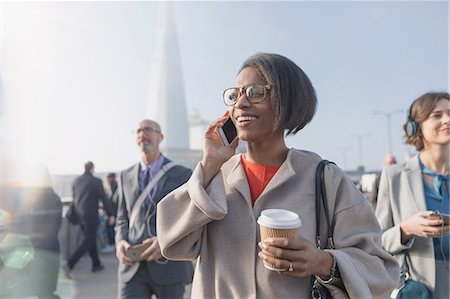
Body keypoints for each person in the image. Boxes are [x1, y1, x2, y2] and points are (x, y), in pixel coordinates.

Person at [156, 53, 399, 298]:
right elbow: (170, 242)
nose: (240, 103)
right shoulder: (215, 176)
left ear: (287, 99)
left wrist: (323, 263)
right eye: (235, 95)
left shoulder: (326, 178)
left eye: (255, 92)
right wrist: (209, 164)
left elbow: (381, 271)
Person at [375, 92, 450, 298]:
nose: (447, 119)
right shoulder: (395, 176)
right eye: (437, 115)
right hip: (419, 289)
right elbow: (375, 243)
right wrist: (406, 229)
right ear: (415, 127)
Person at [115, 119, 193, 299]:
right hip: (132, 265)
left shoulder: (182, 174)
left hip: (169, 264)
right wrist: (120, 241)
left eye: (148, 129)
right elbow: (122, 218)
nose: (142, 134)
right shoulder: (124, 176)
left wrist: (165, 240)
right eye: (138, 131)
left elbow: (190, 218)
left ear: (161, 136)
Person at [0, 162, 62, 299]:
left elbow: (52, 230)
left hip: (45, 255)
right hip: (31, 255)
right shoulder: (28, 201)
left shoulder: (53, 199)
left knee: (45, 293)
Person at [64, 161, 115, 278]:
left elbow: (74, 198)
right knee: (88, 240)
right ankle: (69, 264)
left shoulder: (76, 181)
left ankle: (96, 264)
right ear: (92, 168)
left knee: (90, 239)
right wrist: (111, 214)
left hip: (79, 216)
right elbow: (104, 198)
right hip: (91, 216)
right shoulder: (96, 181)